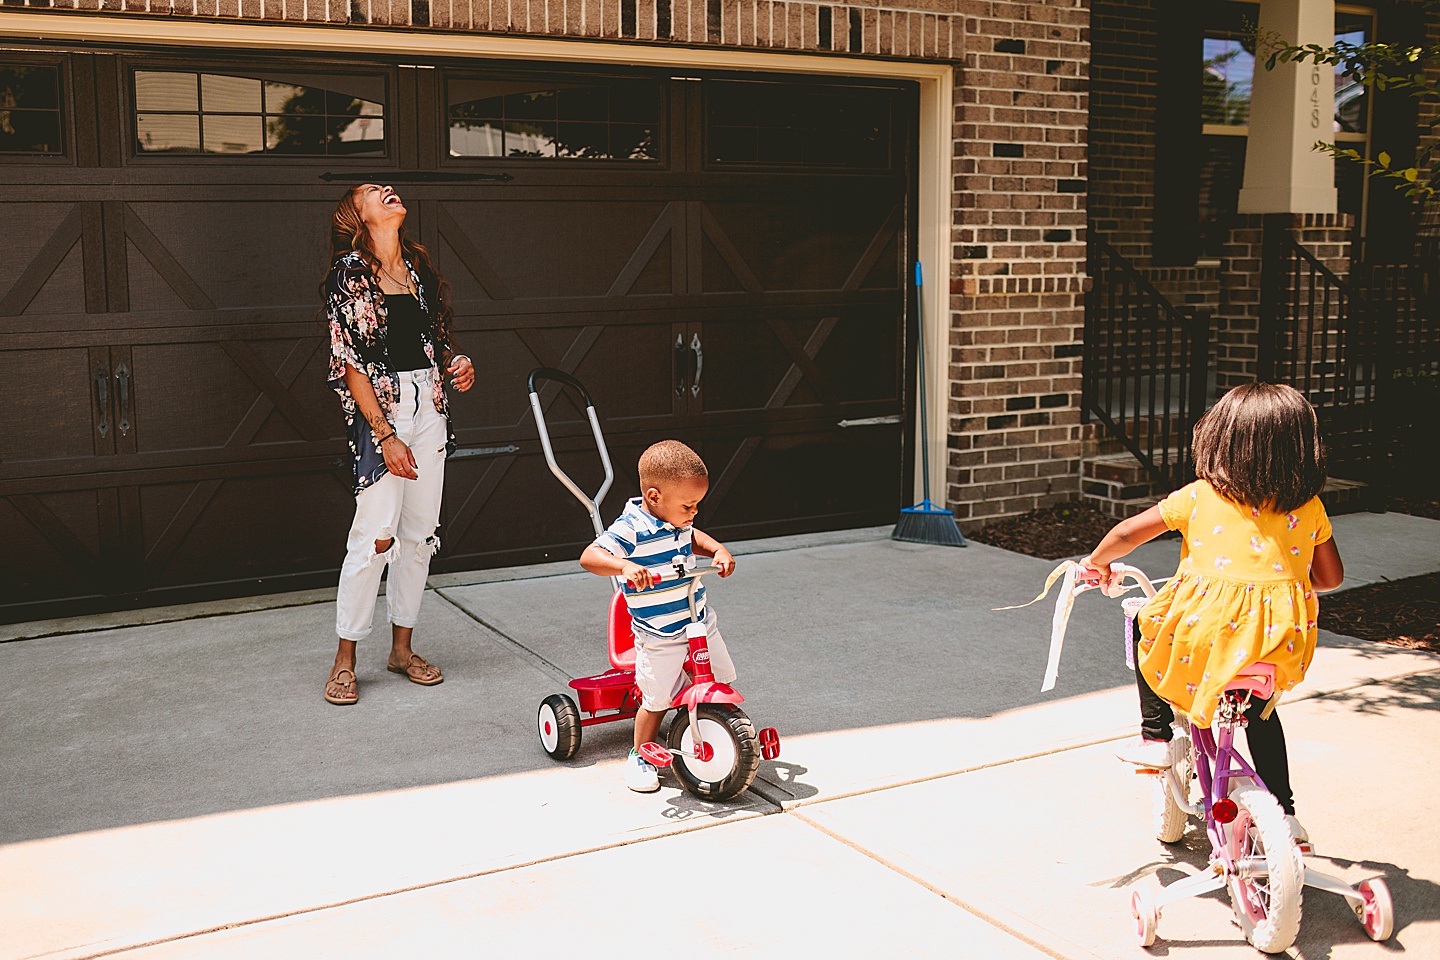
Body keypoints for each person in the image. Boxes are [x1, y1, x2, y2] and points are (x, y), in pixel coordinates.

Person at [1079, 382, 1344, 848]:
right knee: (1262, 714)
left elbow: (1125, 535)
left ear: (1222, 440)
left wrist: (1096, 563)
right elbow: (1330, 578)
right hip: (1277, 646)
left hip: (1205, 638)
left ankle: (1157, 737)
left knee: (1145, 621)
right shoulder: (1309, 507)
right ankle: (1286, 812)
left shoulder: (1201, 496)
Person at [322, 183, 476, 705]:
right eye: (373, 191)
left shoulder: (417, 269)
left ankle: (402, 649)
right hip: (382, 412)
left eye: (387, 187)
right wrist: (384, 433)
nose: (388, 191)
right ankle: (345, 659)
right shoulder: (350, 272)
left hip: (428, 407)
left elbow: (431, 339)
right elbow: (350, 363)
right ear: (356, 215)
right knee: (374, 536)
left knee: (419, 534)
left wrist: (456, 363)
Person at [579, 440, 738, 792]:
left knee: (720, 678)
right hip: (660, 632)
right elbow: (589, 557)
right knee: (656, 700)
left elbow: (693, 536)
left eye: (697, 504)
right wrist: (624, 565)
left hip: (698, 620)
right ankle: (640, 755)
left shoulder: (677, 517)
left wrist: (718, 550)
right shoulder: (631, 527)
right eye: (689, 505)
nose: (694, 512)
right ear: (654, 496)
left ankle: (704, 720)